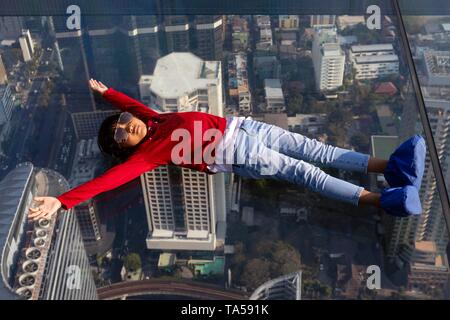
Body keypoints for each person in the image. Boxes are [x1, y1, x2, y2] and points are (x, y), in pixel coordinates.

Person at [28, 79, 426, 221]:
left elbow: (132, 108)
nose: (125, 127)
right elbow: (108, 181)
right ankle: (383, 201)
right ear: (125, 147)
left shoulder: (153, 120)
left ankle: (392, 167)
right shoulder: (148, 153)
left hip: (243, 126)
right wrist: (62, 201)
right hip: (238, 153)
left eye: (120, 123)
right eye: (119, 135)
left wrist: (108, 94)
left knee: (315, 150)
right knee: (307, 174)